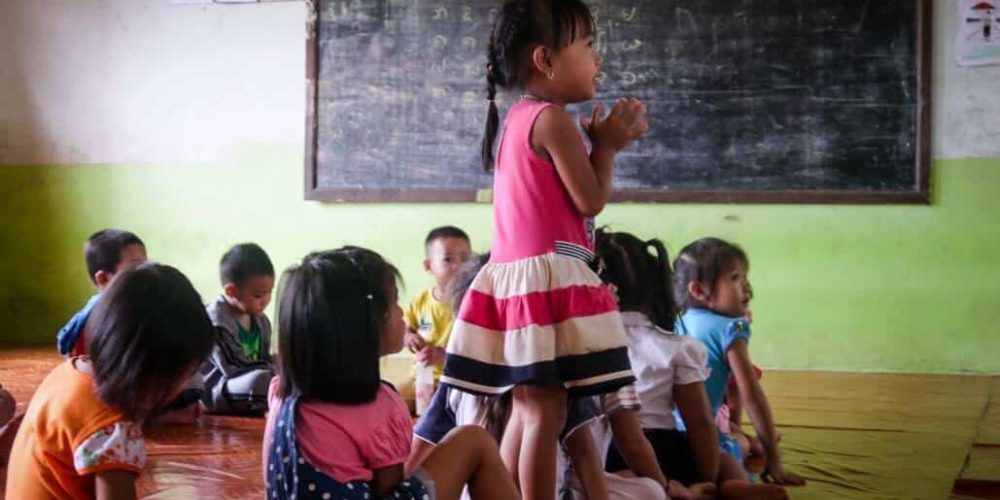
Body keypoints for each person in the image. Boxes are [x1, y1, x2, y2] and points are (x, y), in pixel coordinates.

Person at [442, 2, 648, 497]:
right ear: (546, 61)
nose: (598, 59)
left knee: (531, 408)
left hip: (518, 284)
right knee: (545, 414)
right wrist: (608, 148)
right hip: (545, 285)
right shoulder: (552, 119)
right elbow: (590, 200)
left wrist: (596, 147)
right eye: (589, 45)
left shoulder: (517, 119)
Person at [262, 247, 519, 500]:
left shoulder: (279, 392)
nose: (401, 313)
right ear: (366, 323)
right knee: (473, 440)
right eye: (395, 302)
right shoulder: (379, 406)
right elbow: (391, 490)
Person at [6, 264, 214, 499]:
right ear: (151, 372)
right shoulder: (113, 430)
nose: (184, 387)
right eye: (185, 375)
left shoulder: (68, 373)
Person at [674, 238, 805, 487]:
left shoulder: (679, 321)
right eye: (735, 278)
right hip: (702, 442)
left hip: (661, 438)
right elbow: (751, 395)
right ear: (700, 291)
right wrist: (774, 462)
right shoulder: (731, 329)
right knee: (730, 455)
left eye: (744, 277)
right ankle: (737, 486)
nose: (747, 287)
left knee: (731, 436)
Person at [400, 226, 472, 414]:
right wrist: (409, 338)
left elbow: (478, 348)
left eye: (465, 259)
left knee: (440, 410)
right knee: (394, 402)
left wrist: (444, 355)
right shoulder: (421, 301)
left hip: (456, 380)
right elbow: (404, 329)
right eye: (448, 259)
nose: (459, 266)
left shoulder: (472, 302)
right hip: (421, 376)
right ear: (428, 266)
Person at [201, 243, 276, 414]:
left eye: (270, 292)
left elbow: (264, 359)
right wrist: (276, 371)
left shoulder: (262, 321)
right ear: (231, 291)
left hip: (248, 387)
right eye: (258, 295)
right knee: (262, 379)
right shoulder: (216, 321)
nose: (266, 300)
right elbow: (233, 369)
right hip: (220, 389)